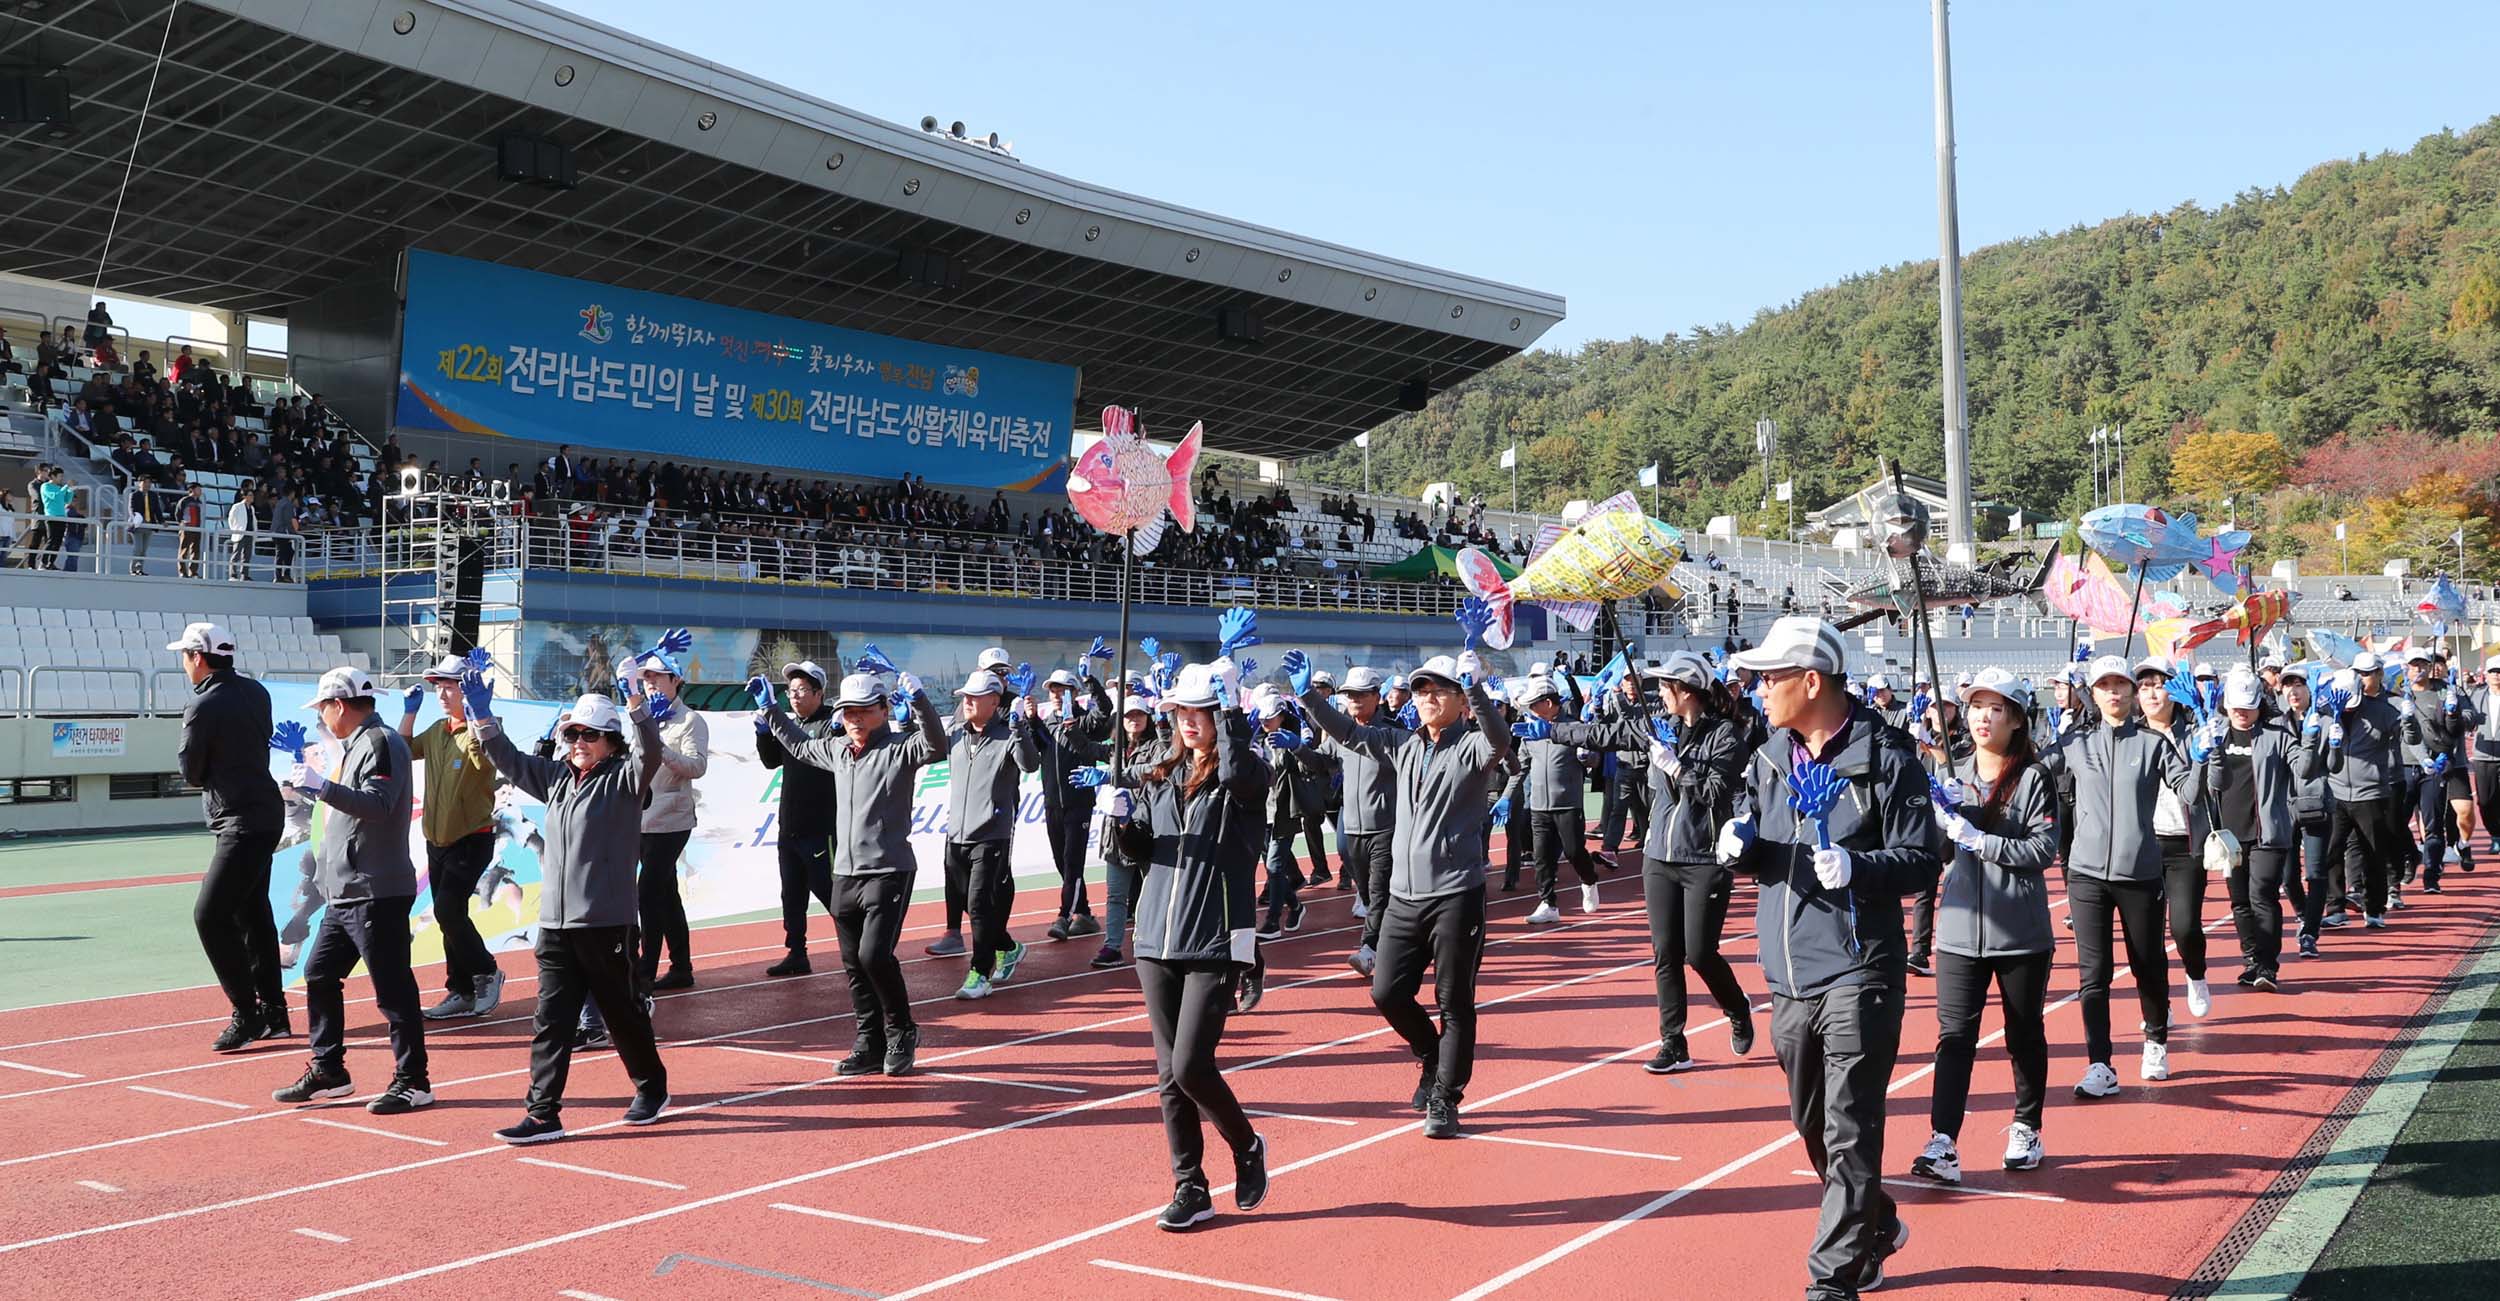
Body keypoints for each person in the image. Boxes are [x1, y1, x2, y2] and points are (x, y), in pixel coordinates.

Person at [1715, 617, 1934, 1297]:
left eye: (1770, 677)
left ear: (1811, 680)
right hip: (1787, 972)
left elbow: (1923, 858)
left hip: (1859, 967)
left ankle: (1830, 1278)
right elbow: (1763, 840)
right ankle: (1876, 1222)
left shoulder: (1888, 758)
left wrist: (1859, 866)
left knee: (1850, 1123)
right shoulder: (1769, 755)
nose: (1758, 690)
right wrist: (1740, 845)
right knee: (1810, 1122)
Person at [1291, 641, 1511, 1141]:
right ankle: (1431, 1054)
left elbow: (1498, 738)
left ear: (1457, 699)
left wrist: (1475, 686)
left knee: (1454, 1000)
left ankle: (1445, 1098)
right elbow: (1348, 732)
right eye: (1419, 689)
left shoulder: (1473, 745)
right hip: (1404, 897)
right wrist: (1308, 697)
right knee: (1387, 990)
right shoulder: (1403, 745)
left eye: (1436, 689)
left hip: (1457, 894)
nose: (1426, 696)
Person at [467, 672, 671, 1143]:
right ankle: (543, 1113)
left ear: (610, 741)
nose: (578, 741)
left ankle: (651, 1086)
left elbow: (650, 754)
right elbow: (509, 761)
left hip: (606, 923)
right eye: (572, 733)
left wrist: (637, 703)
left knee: (621, 1013)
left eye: (589, 734)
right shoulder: (558, 778)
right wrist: (481, 714)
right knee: (551, 1021)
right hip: (555, 926)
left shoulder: (624, 779)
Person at [1107, 659, 1273, 1231]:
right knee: (1166, 1075)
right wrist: (1122, 822)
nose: (1189, 721)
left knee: (1191, 1066)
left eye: (1199, 711)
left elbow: (1237, 772)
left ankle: (1246, 1145)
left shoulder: (1244, 778)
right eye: (1182, 710)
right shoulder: (1160, 777)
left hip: (1215, 940)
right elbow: (1138, 854)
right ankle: (1189, 1184)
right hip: (1155, 938)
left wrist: (1230, 706)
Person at [1552, 651, 1754, 1073]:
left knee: (1700, 953)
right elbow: (1603, 734)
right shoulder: (1655, 725)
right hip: (1659, 855)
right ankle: (1673, 1041)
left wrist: (1677, 767)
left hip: (1703, 857)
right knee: (1665, 953)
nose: (1659, 694)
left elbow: (1717, 792)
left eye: (1665, 687)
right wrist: (1554, 730)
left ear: (1687, 691)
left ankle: (1736, 1008)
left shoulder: (1726, 735)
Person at [1911, 668, 2059, 1184]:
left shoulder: (2034, 778)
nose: (1983, 717)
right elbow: (1938, 850)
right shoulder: (1956, 774)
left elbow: (2042, 850)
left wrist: (1979, 839)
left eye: (1997, 708)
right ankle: (1943, 1141)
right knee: (1954, 1037)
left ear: (2017, 719)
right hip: (1958, 931)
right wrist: (1941, 815)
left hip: (2018, 930)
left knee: (2023, 1034)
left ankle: (2027, 1125)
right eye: (1976, 706)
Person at [759, 667, 948, 1071]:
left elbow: (936, 743)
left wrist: (918, 701)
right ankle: (869, 1042)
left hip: (889, 870)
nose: (855, 719)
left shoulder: (899, 749)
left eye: (863, 710)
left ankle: (901, 1032)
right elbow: (799, 746)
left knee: (874, 955)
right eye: (848, 712)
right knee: (852, 964)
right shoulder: (838, 749)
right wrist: (770, 710)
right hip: (844, 873)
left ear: (882, 709)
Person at [272, 668, 431, 1114]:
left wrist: (322, 788)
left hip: (374, 889)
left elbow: (377, 805)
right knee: (321, 975)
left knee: (392, 988)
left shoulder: (379, 743)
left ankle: (413, 1080)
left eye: (323, 709)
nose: (322, 719)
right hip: (347, 891)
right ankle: (329, 1070)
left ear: (338, 705)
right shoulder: (360, 743)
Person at [2038, 655, 2195, 1096]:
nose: (2114, 692)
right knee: (2094, 973)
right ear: (2093, 692)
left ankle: (2156, 1039)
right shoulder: (2075, 742)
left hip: (2140, 872)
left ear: (2131, 692)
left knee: (2146, 962)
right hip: (2085, 873)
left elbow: (2193, 790)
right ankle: (2100, 1063)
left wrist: (2206, 753)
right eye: (2104, 685)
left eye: (2120, 685)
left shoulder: (2153, 744)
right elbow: (2032, 769)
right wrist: (2051, 735)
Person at [170, 622, 292, 1053]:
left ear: (198, 658)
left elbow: (191, 771)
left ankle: (248, 1013)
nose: (184, 664)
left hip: (240, 820)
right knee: (252, 912)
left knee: (211, 915)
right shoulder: (256, 692)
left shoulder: (204, 704)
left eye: (185, 656)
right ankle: (274, 1013)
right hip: (264, 812)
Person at [401, 655, 506, 1019]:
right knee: (451, 915)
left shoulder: (486, 727)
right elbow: (401, 752)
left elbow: (483, 761)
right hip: (437, 841)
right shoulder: (436, 731)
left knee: (447, 910)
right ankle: (460, 990)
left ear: (469, 688)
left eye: (451, 685)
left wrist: (479, 714)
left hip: (471, 837)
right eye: (439, 687)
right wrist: (409, 713)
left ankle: (487, 971)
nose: (443, 693)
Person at [2207, 670, 2313, 992]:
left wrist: (2311, 735)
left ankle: (2268, 965)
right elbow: (2211, 784)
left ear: (2260, 705)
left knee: (2262, 895)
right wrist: (2209, 751)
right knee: (2239, 901)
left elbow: (2304, 769)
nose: (2241, 712)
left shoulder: (2277, 735)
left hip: (2268, 832)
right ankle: (2251, 960)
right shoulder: (2217, 735)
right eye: (2236, 706)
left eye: (2248, 706)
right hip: (2228, 835)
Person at [2133, 658, 2218, 1020]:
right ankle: (2158, 1005)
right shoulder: (2131, 735)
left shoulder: (2191, 730)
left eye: (2159, 684)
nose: (2152, 693)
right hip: (2142, 845)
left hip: (2185, 844)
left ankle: (2195, 974)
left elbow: (2214, 785)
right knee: (2145, 938)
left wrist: (2209, 747)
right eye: (2145, 686)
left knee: (2184, 926)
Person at [1310, 666, 1403, 977]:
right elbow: (1322, 762)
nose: (1353, 700)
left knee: (1378, 893)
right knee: (1367, 894)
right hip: (1352, 829)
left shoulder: (1391, 732)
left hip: (1386, 828)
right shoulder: (1342, 733)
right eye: (1349, 695)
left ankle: (1369, 950)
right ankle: (1395, 942)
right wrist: (1295, 747)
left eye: (1361, 694)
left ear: (1377, 697)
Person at [755, 660, 838, 977]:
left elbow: (826, 752)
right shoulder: (787, 724)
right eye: (791, 691)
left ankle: (857, 946)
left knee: (829, 890)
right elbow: (770, 760)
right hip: (789, 826)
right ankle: (797, 952)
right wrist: (764, 733)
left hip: (820, 827)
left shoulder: (832, 723)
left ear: (819, 692)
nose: (795, 696)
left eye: (802, 690)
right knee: (792, 893)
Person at [635, 649, 709, 991]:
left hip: (672, 820)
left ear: (675, 680)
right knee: (665, 893)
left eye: (656, 676)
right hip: (638, 817)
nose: (650, 683)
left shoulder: (691, 720)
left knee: (648, 892)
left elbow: (696, 766)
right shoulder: (642, 715)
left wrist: (659, 744)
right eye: (646, 677)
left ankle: (645, 970)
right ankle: (681, 966)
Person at [2320, 653, 2411, 929]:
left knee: (2374, 851)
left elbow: (2411, 738)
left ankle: (2374, 908)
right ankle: (2335, 907)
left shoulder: (2382, 711)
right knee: (2331, 851)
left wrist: (2409, 719)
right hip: (2335, 792)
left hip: (2371, 793)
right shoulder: (2328, 711)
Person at [1511, 674, 1604, 924]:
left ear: (1549, 703)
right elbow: (1521, 766)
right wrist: (1508, 795)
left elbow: (1594, 759)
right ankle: (1548, 903)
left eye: (1534, 703)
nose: (1530, 709)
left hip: (1568, 803)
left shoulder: (1574, 727)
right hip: (1539, 805)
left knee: (1574, 850)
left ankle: (1589, 879)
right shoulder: (1530, 732)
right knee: (1542, 857)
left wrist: (1588, 758)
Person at [1252, 684, 1337, 938]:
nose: (1265, 723)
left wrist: (1298, 747)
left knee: (1275, 866)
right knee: (1271, 866)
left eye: (1270, 718)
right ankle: (1296, 906)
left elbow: (1310, 765)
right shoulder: (1256, 735)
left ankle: (1272, 920)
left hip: (1285, 811)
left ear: (1281, 713)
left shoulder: (1296, 732)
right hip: (1259, 810)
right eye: (1262, 719)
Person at [1035, 662, 1112, 940]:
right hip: (1052, 803)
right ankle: (1086, 914)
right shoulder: (1047, 724)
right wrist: (1028, 718)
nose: (1057, 693)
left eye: (1064, 688)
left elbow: (1105, 710)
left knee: (1072, 862)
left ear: (1075, 692)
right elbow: (1034, 746)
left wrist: (1090, 679)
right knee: (1061, 861)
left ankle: (1064, 916)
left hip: (1078, 803)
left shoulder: (1084, 722)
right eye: (1054, 688)